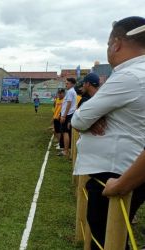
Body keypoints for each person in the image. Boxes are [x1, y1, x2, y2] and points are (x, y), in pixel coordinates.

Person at [71, 16, 145, 250]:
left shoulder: (129, 75)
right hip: (130, 167)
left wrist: (93, 116)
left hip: (116, 172)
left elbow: (80, 118)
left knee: (106, 237)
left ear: (116, 44)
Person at [59, 78, 77, 157]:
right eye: (66, 83)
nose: (66, 85)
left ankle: (66, 151)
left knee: (65, 132)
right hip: (69, 114)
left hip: (68, 115)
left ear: (72, 84)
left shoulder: (70, 92)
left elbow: (69, 104)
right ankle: (66, 149)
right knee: (66, 132)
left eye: (67, 83)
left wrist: (63, 115)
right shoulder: (71, 92)